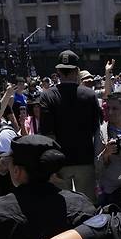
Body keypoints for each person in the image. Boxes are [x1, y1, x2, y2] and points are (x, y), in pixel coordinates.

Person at [40, 50, 103, 203]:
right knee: (88, 206)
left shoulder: (47, 96)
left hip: (60, 163)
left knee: (62, 207)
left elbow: (48, 135)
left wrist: (51, 167)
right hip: (85, 161)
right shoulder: (90, 95)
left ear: (58, 71)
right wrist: (97, 163)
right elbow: (97, 131)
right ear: (77, 71)